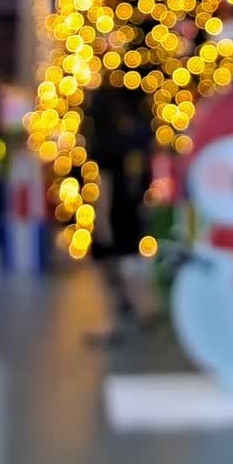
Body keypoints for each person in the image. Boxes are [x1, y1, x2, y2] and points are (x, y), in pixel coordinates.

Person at [83, 84, 153, 345]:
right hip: (134, 208)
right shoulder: (137, 137)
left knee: (108, 264)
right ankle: (144, 308)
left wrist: (101, 222)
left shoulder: (104, 143)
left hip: (114, 211)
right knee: (132, 261)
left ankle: (111, 322)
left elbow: (105, 186)